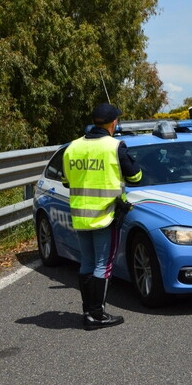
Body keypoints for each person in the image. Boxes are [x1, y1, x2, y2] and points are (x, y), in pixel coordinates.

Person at [63, 103, 142, 330]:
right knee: (102, 264)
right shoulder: (115, 146)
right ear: (113, 123)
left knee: (86, 262)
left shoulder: (73, 147)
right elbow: (136, 177)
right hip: (106, 215)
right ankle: (97, 315)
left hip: (80, 215)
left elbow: (67, 181)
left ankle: (88, 311)